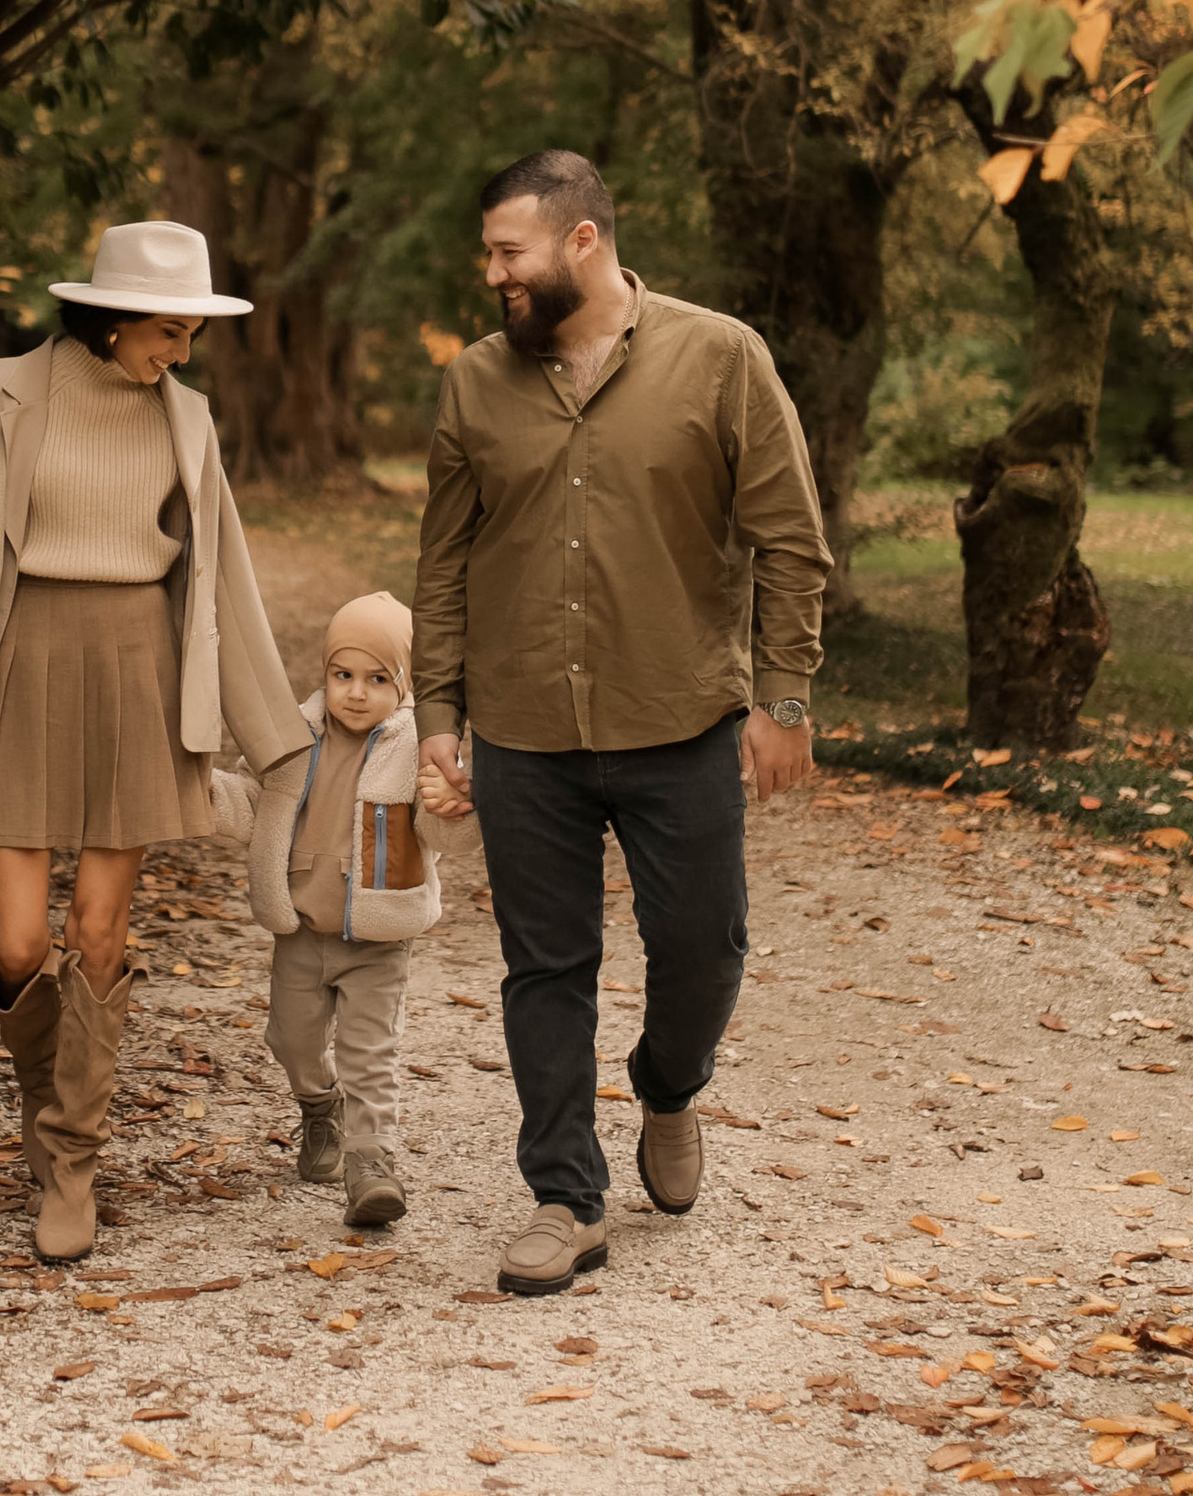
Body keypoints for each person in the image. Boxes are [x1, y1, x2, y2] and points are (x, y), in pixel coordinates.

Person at [413, 149, 829, 1298]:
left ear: (581, 240)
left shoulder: (720, 357)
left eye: (509, 252)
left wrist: (783, 700)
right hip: (524, 730)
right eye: (488, 254)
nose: (492, 273)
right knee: (544, 968)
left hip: (678, 715)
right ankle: (564, 1198)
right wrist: (438, 711)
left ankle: (669, 1085)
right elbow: (443, 562)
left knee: (705, 947)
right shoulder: (474, 384)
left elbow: (789, 541)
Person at [0, 219, 302, 1265]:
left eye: (191, 333)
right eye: (167, 330)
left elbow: (223, 575)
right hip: (20, 665)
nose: (181, 351)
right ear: (109, 319)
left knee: (98, 930)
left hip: (138, 667)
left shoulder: (188, 418)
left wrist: (274, 737)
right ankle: (48, 1101)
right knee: (19, 945)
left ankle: (71, 1161)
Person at [218, 591, 446, 1239]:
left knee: (369, 1053)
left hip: (378, 939)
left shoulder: (415, 749)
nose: (356, 692)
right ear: (324, 673)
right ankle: (320, 1107)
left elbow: (444, 833)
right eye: (343, 674)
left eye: (378, 679)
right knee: (291, 1041)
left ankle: (372, 1165)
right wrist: (199, 791)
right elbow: (250, 800)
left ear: (404, 685)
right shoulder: (293, 738)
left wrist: (459, 802)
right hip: (301, 930)